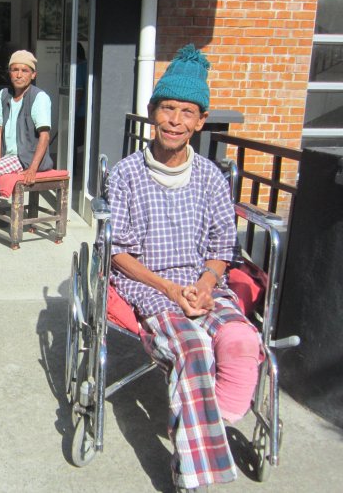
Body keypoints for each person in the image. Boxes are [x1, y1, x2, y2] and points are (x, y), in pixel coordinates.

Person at [105, 44, 261, 492]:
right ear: (153, 113)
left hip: (202, 284)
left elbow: (220, 247)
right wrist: (171, 290)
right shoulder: (126, 174)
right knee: (193, 349)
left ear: (200, 120)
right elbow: (118, 254)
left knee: (238, 337)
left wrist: (206, 284)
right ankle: (194, 476)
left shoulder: (212, 177)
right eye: (167, 108)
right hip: (149, 286)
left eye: (186, 111)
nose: (174, 120)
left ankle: (211, 420)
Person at [0, 50, 54, 210]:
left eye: (24, 70)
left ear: (33, 75)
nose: (19, 75)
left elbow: (44, 136)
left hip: (26, 157)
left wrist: (32, 169)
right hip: (9, 157)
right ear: (9, 73)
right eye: (15, 70)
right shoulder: (4, 95)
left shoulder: (39, 97)